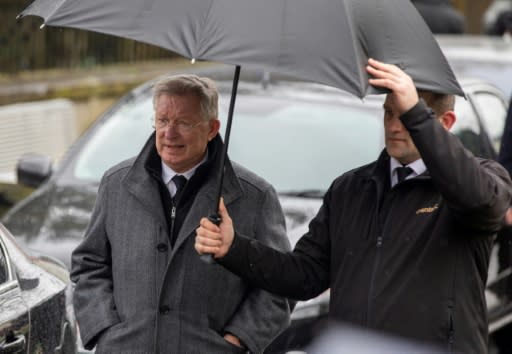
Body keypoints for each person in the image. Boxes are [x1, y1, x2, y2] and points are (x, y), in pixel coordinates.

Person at [195, 58, 512, 354]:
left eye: (409, 117)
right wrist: (234, 248)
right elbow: (303, 275)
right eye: (389, 112)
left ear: (445, 122)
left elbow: (479, 200)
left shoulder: (483, 180)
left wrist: (415, 111)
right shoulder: (351, 189)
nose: (395, 126)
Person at [70, 74, 291, 353]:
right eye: (162, 120)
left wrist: (237, 341)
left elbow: (279, 284)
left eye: (184, 122)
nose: (169, 133)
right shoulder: (116, 184)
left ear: (212, 128)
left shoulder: (255, 197)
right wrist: (106, 331)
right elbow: (89, 264)